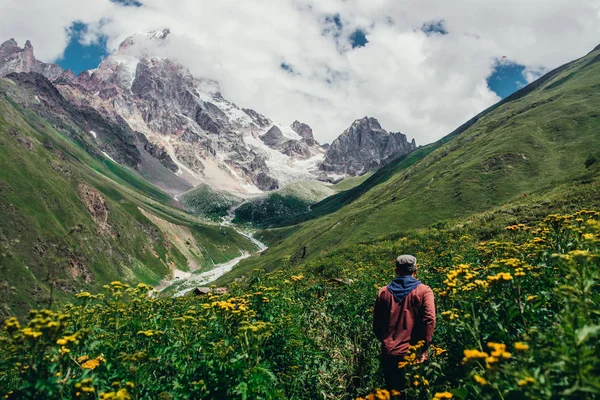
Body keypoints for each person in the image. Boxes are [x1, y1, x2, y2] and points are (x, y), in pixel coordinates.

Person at [373, 254, 436, 394]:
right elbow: (429, 320)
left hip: (389, 354)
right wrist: (422, 348)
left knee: (394, 394)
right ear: (416, 270)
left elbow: (376, 325)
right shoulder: (424, 291)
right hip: (413, 354)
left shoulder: (383, 292)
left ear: (396, 271)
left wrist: (387, 342)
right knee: (415, 394)